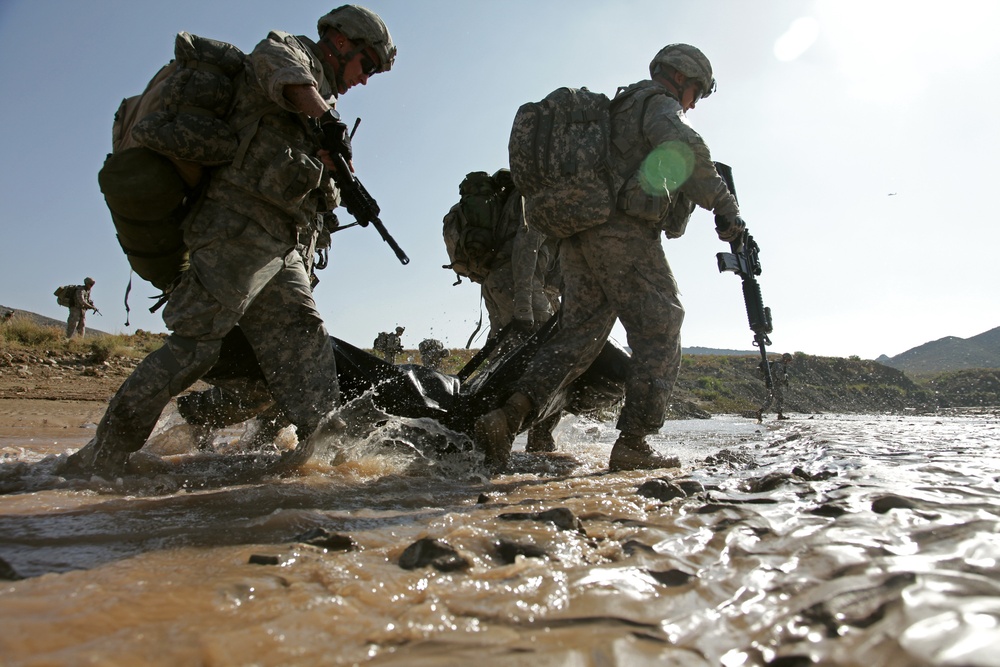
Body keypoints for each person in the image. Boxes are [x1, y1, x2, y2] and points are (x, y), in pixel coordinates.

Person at [66, 5, 397, 475]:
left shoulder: (326, 103)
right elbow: (282, 72)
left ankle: (327, 464)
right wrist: (325, 121)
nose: (364, 79)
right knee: (193, 349)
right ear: (341, 42)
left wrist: (339, 182)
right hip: (234, 228)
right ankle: (100, 458)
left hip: (282, 247)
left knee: (307, 343)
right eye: (366, 65)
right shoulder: (289, 52)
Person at [475, 43, 745, 473]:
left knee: (575, 339)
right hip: (621, 234)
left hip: (578, 236)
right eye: (697, 93)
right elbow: (682, 144)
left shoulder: (615, 108)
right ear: (682, 79)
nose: (693, 103)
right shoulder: (657, 102)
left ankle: (507, 419)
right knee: (661, 322)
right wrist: (726, 207)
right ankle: (634, 442)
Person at [756, 353, 793, 422]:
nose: (789, 362)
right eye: (788, 360)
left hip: (771, 384)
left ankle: (760, 412)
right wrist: (785, 377)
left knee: (769, 400)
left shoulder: (777, 364)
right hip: (774, 385)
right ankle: (779, 415)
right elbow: (780, 376)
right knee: (780, 398)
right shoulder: (779, 365)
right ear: (785, 359)